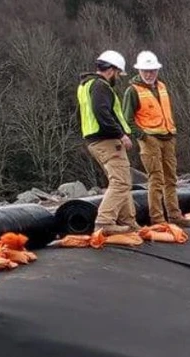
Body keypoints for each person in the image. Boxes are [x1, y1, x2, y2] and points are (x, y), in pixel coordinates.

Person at [124, 51, 190, 228]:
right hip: (150, 139)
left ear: (157, 70)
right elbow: (127, 119)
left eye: (152, 70)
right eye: (146, 71)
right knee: (156, 179)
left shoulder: (162, 87)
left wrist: (171, 132)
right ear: (139, 71)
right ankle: (157, 219)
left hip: (167, 137)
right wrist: (142, 136)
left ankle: (174, 215)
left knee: (171, 178)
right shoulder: (133, 91)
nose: (149, 74)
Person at [77, 50, 136, 235]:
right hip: (107, 140)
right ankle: (105, 221)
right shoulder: (100, 86)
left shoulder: (85, 85)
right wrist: (121, 134)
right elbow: (102, 112)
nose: (117, 77)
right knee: (121, 182)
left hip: (95, 140)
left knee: (121, 181)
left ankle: (128, 222)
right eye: (118, 73)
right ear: (111, 70)